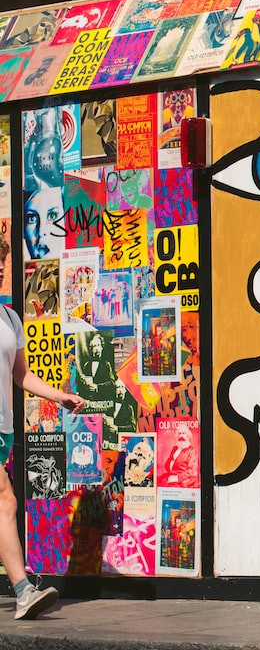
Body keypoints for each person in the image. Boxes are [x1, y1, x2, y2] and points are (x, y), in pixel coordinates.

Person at [0, 235, 85, 619]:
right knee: (6, 500)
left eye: (2, 261)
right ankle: (22, 589)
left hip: (4, 429)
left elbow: (21, 374)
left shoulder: (10, 318)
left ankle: (21, 589)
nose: (1, 268)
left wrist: (58, 396)